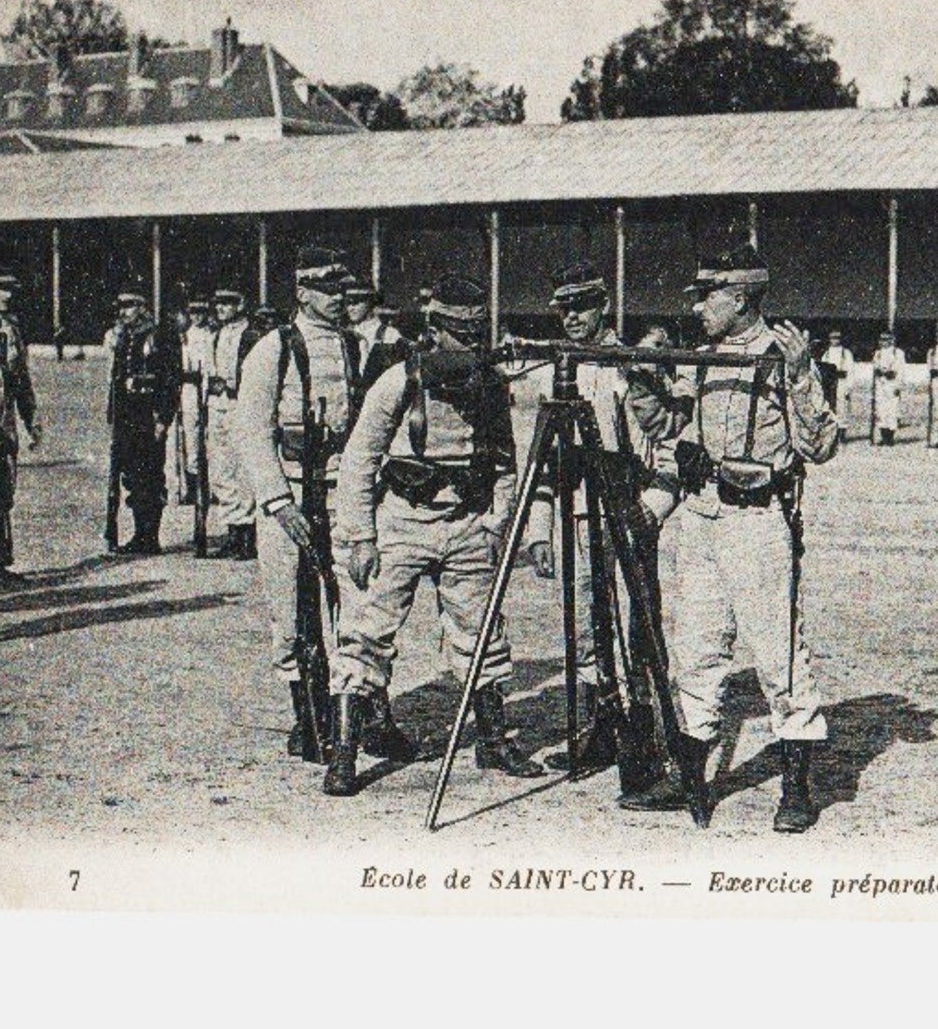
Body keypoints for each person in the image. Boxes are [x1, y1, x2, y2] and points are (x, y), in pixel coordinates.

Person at [620, 244, 837, 834]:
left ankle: (797, 788)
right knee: (696, 650)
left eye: (708, 296)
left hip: (758, 522)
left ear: (740, 298)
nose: (697, 308)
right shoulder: (700, 357)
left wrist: (798, 377)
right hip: (701, 519)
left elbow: (820, 446)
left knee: (779, 658)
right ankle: (689, 777)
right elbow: (671, 430)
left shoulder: (781, 355)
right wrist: (642, 382)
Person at [328, 273, 541, 796]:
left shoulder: (493, 384)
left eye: (475, 335)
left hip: (467, 521)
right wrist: (360, 536)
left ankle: (493, 737)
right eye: (458, 335)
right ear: (434, 330)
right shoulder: (399, 380)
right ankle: (344, 750)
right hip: (401, 517)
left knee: (482, 632)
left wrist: (497, 522)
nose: (468, 345)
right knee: (366, 632)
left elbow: (507, 462)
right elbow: (359, 460)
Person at [520, 262, 680, 793]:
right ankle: (599, 723)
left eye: (582, 307)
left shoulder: (627, 368)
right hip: (576, 508)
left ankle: (643, 735)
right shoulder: (553, 372)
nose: (572, 318)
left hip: (625, 508)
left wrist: (650, 508)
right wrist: (539, 528)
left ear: (603, 306)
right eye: (563, 309)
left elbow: (660, 450)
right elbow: (541, 459)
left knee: (637, 620)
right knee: (587, 620)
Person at [235, 248, 381, 768]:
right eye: (326, 288)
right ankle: (308, 719)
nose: (338, 297)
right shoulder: (274, 348)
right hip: (292, 495)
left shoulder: (355, 346)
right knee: (292, 615)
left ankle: (364, 714)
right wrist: (278, 502)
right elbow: (251, 430)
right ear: (302, 291)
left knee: (358, 603)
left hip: (342, 489)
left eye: (343, 289)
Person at [103, 284, 181, 555]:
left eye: (130, 306)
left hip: (149, 413)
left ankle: (150, 535)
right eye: (122, 308)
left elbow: (171, 379)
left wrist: (164, 417)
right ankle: (139, 533)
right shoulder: (125, 336)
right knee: (131, 476)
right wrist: (113, 414)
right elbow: (117, 379)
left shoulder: (158, 335)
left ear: (143, 307)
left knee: (150, 474)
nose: (124, 312)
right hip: (127, 415)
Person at [0, 270, 41, 590]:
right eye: (2, 289)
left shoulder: (11, 329)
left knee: (4, 492)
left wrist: (31, 418)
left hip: (6, 423)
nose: (9, 295)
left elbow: (21, 379)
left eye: (12, 289)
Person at [198, 288, 259, 559]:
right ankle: (233, 529)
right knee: (221, 468)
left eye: (227, 303)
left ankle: (247, 532)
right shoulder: (216, 335)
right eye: (218, 303)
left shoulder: (252, 335)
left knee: (242, 468)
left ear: (240, 305)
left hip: (239, 405)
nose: (221, 308)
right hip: (217, 406)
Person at [177, 298, 215, 508]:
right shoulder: (185, 337)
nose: (197, 316)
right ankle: (192, 487)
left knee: (210, 438)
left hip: (210, 391)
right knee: (191, 437)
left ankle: (210, 486)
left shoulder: (212, 335)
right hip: (191, 391)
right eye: (193, 312)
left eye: (201, 312)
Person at [342, 279, 407, 393]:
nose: (350, 308)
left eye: (356, 302)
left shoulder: (390, 335)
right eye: (347, 303)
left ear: (370, 302)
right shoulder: (345, 335)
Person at [870, 329, 908, 446]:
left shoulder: (898, 353)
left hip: (892, 384)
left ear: (892, 340)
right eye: (881, 339)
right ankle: (883, 435)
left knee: (891, 410)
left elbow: (901, 371)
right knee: (881, 410)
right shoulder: (878, 353)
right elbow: (875, 369)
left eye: (886, 339)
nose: (883, 342)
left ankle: (890, 437)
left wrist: (898, 386)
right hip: (881, 385)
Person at [819, 329, 855, 441]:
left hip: (842, 382)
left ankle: (842, 433)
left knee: (842, 407)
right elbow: (822, 369)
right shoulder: (826, 353)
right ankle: (831, 433)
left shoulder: (846, 353)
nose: (835, 340)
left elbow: (851, 370)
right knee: (829, 407)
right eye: (833, 338)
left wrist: (849, 387)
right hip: (830, 383)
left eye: (837, 338)